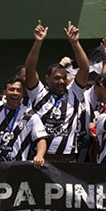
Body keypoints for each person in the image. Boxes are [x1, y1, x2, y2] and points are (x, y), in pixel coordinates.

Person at [24, 19, 91, 161]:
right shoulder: (39, 93)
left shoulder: (73, 93)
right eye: (57, 78)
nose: (61, 81)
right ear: (47, 78)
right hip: (42, 159)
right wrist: (38, 42)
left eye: (64, 78)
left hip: (68, 160)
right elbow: (30, 69)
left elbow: (85, 68)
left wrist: (75, 43)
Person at [0, 76, 47, 166]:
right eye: (11, 89)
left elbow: (41, 139)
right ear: (4, 92)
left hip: (18, 167)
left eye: (18, 90)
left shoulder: (31, 116)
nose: (15, 93)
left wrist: (39, 156)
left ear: (23, 93)